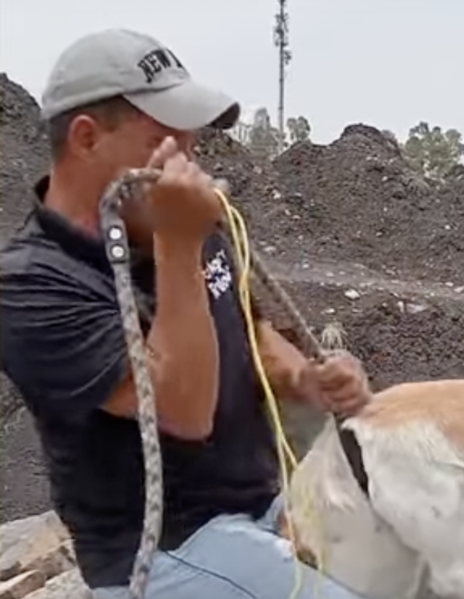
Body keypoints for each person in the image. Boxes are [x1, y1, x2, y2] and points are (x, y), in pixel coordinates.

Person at [0, 29, 372, 599]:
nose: (185, 164)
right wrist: (179, 244)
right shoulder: (32, 285)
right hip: (165, 555)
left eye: (191, 147)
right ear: (86, 138)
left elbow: (250, 332)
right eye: (163, 142)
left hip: (261, 512)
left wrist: (307, 378)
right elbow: (182, 411)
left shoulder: (178, 223)